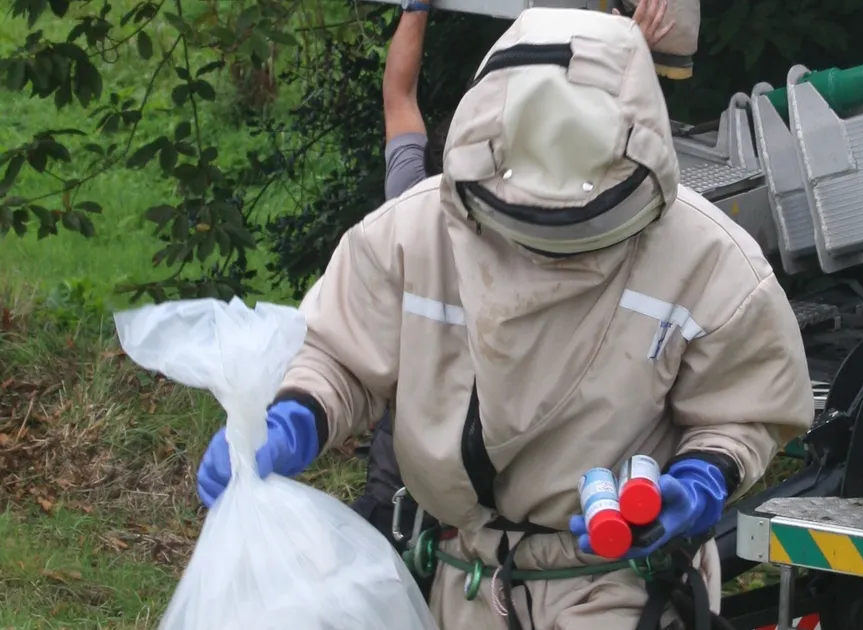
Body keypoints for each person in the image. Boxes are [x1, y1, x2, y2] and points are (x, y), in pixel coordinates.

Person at [195, 8, 814, 630]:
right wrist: (294, 415)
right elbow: (339, 353)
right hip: (464, 577)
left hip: (618, 583)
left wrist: (701, 476)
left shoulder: (707, 259)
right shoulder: (412, 235)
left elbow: (745, 408)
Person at [353, 0, 683, 550]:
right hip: (505, 449)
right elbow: (608, 152)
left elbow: (398, 96)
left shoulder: (412, 194)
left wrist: (415, 8)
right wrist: (627, 58)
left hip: (416, 448)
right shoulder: (546, 227)